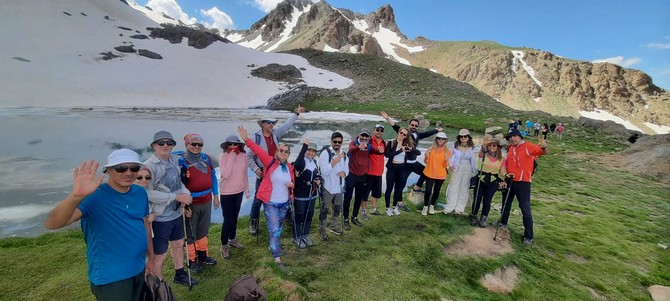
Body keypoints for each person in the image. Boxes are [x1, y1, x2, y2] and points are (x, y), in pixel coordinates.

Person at [44, 149, 154, 301]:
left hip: (138, 268)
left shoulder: (139, 192)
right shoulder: (94, 196)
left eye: (134, 168)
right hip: (112, 277)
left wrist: (152, 259)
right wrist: (75, 196)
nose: (129, 173)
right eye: (121, 168)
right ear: (108, 170)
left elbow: (145, 225)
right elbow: (52, 224)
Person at [238, 125, 295, 273]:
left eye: (286, 152)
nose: (283, 153)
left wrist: (291, 185)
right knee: (274, 228)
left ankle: (274, 245)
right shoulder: (269, 161)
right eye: (281, 150)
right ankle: (277, 258)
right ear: (277, 152)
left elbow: (291, 184)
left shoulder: (289, 168)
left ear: (288, 154)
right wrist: (246, 139)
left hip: (284, 203)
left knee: (278, 227)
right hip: (271, 203)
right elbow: (257, 150)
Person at [143, 130, 196, 286]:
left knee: (178, 244)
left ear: (173, 145)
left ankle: (180, 274)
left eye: (169, 143)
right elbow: (146, 192)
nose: (165, 146)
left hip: (176, 213)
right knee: (160, 254)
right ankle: (159, 286)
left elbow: (180, 184)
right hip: (159, 217)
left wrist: (186, 196)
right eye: (161, 143)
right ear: (154, 146)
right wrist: (176, 197)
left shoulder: (175, 160)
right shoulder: (148, 166)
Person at [247, 105, 305, 235]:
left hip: (278, 170)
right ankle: (253, 221)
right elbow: (249, 157)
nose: (271, 124)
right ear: (262, 124)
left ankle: (287, 215)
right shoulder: (255, 138)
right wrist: (256, 170)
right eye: (269, 122)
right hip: (264, 173)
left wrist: (296, 114)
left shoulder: (275, 134)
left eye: (272, 122)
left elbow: (286, 126)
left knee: (285, 192)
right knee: (258, 198)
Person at [380, 111, 441, 211]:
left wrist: (437, 130)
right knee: (401, 184)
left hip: (414, 163)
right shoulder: (405, 134)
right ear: (409, 125)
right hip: (405, 164)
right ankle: (399, 202)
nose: (413, 127)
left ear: (417, 127)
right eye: (412, 125)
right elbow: (395, 126)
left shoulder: (418, 135)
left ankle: (417, 187)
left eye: (416, 126)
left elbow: (427, 133)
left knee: (426, 173)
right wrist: (387, 118)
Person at [177, 133, 218, 272]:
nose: (196, 147)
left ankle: (203, 255)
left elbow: (213, 177)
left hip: (206, 200)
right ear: (186, 145)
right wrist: (182, 205)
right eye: (193, 144)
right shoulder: (181, 161)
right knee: (190, 231)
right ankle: (192, 259)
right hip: (190, 202)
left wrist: (216, 195)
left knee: (203, 228)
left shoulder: (206, 158)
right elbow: (177, 185)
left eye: (199, 144)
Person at [499, 129, 548, 245]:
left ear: (520, 136)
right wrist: (506, 174)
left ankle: (528, 236)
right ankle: (502, 223)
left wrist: (544, 147)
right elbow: (505, 164)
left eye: (514, 136)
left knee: (525, 208)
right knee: (506, 203)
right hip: (510, 180)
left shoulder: (528, 146)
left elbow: (543, 152)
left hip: (523, 182)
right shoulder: (511, 149)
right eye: (510, 137)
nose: (512, 139)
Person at [217, 135, 251, 259]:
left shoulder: (243, 156)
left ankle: (232, 238)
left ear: (239, 146)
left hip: (239, 191)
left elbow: (245, 174)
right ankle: (224, 244)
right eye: (230, 144)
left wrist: (246, 189)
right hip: (226, 192)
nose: (232, 147)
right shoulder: (222, 157)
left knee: (235, 217)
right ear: (226, 145)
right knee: (228, 220)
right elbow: (225, 174)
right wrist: (231, 157)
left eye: (235, 144)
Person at [318, 132, 349, 240]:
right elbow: (323, 171)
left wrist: (344, 173)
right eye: (335, 141)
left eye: (339, 142)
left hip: (339, 187)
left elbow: (347, 169)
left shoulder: (344, 154)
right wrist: (334, 163)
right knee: (325, 209)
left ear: (341, 142)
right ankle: (322, 229)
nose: (337, 144)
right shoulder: (325, 154)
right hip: (328, 186)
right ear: (331, 141)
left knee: (337, 209)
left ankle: (334, 226)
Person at [291, 139, 321, 248]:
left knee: (309, 215)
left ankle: (305, 234)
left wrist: (319, 180)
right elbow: (298, 166)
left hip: (312, 195)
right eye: (309, 150)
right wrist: (304, 147)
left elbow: (317, 175)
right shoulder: (301, 161)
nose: (311, 153)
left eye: (313, 151)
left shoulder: (314, 162)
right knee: (299, 215)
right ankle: (297, 236)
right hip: (301, 195)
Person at [470, 138, 506, 227]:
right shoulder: (484, 154)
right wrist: (484, 146)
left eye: (494, 145)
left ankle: (483, 218)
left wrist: (507, 175)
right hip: (481, 179)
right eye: (490, 145)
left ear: (498, 147)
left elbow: (503, 171)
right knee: (477, 198)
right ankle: (473, 215)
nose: (492, 147)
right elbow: (480, 153)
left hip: (493, 181)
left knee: (487, 201)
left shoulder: (502, 159)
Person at [384, 128, 420, 216]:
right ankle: (387, 208)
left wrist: (411, 149)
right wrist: (400, 150)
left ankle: (394, 207)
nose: (402, 135)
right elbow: (387, 155)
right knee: (389, 189)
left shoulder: (406, 144)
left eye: (404, 134)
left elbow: (418, 153)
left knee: (398, 189)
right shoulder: (391, 142)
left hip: (401, 169)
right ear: (398, 132)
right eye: (401, 133)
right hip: (392, 169)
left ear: (406, 136)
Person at [343, 128, 374, 229]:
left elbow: (377, 151)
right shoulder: (353, 143)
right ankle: (345, 219)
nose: (364, 138)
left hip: (363, 176)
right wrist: (358, 147)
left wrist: (381, 150)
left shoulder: (369, 146)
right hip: (351, 174)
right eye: (362, 135)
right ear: (359, 135)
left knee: (359, 198)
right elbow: (351, 150)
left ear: (369, 138)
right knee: (347, 198)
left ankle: (354, 217)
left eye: (366, 136)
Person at [443, 129, 477, 215]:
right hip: (457, 168)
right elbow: (449, 157)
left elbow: (473, 160)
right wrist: (450, 165)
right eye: (461, 136)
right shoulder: (455, 146)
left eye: (465, 136)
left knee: (464, 188)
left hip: (468, 168)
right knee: (454, 186)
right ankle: (450, 206)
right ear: (459, 138)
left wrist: (474, 171)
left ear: (468, 137)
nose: (463, 138)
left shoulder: (472, 148)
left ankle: (459, 208)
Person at [421, 132, 450, 215]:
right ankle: (425, 206)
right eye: (439, 138)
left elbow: (445, 165)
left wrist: (446, 160)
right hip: (430, 173)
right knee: (428, 191)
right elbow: (426, 162)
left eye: (443, 139)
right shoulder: (430, 149)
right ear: (436, 139)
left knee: (437, 191)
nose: (441, 140)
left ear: (445, 140)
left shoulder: (447, 151)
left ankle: (432, 205)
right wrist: (426, 157)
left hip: (440, 174)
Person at [363, 124, 386, 219]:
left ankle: (373, 209)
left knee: (376, 193)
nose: (379, 132)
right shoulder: (369, 141)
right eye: (377, 130)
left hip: (379, 172)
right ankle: (363, 211)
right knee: (365, 193)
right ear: (374, 130)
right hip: (369, 172)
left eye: (381, 130)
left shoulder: (384, 142)